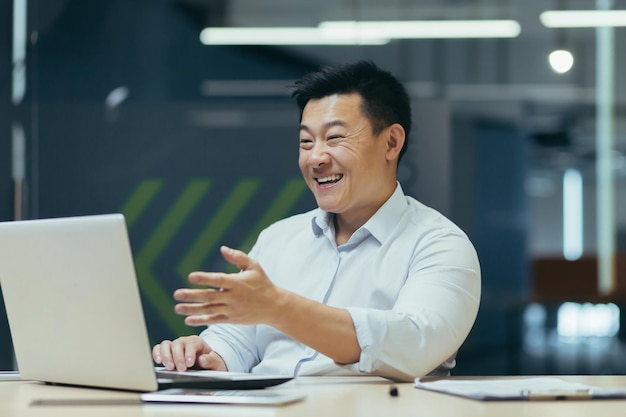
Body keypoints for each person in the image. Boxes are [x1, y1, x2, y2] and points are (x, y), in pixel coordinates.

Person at [152, 60, 481, 382]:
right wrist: (206, 353)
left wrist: (279, 308)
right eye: (306, 141)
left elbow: (415, 344)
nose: (315, 158)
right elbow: (238, 340)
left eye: (335, 138)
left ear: (392, 142)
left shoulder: (439, 244)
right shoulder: (278, 238)